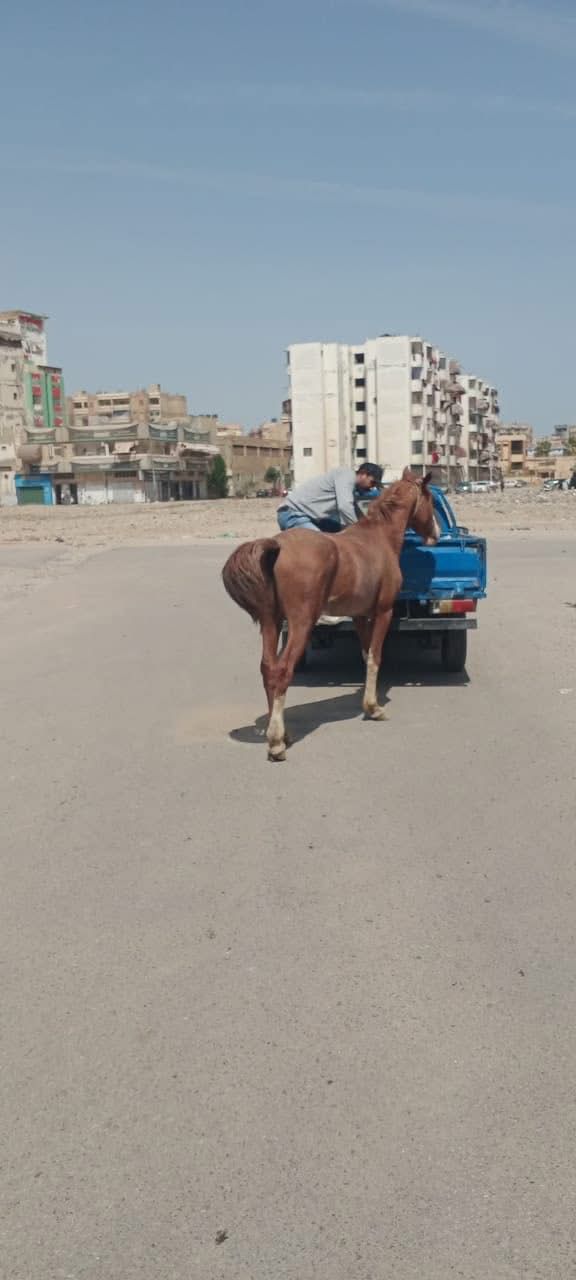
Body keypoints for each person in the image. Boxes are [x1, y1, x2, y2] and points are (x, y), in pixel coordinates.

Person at [277, 463, 383, 533]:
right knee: (323, 547)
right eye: (372, 482)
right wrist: (359, 529)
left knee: (339, 536)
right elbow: (345, 506)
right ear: (363, 474)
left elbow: (354, 510)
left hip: (310, 517)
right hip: (292, 514)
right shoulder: (346, 475)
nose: (372, 487)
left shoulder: (349, 487)